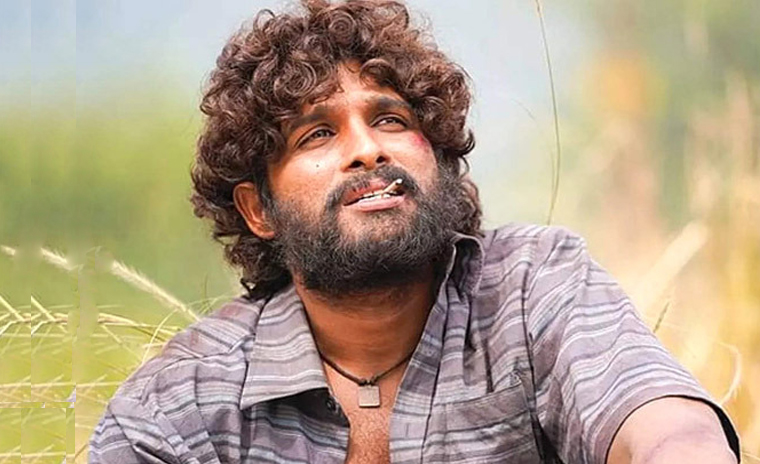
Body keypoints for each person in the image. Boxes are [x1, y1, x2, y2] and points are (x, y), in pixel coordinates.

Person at [89, 1, 741, 463]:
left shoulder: (532, 288)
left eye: (391, 120)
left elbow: (666, 427)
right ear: (258, 208)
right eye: (317, 134)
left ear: (441, 159)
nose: (367, 149)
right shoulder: (183, 401)